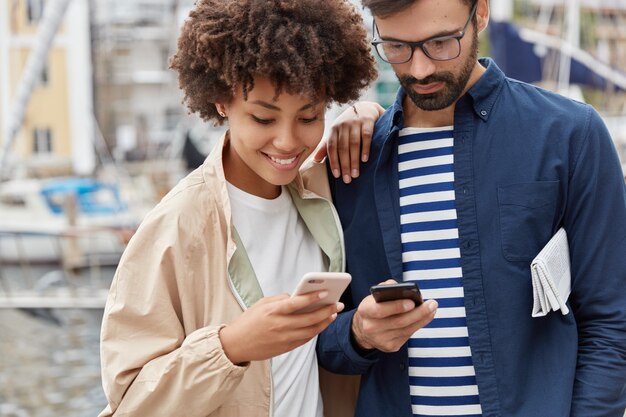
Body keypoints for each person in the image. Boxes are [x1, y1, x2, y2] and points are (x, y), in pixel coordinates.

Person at [316, 0, 626, 416]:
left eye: (441, 42)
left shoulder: (570, 135)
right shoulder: (351, 161)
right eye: (396, 47)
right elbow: (316, 337)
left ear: (479, 13)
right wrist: (357, 333)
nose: (420, 69)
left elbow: (611, 320)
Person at [98, 1, 378, 416]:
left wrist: (366, 111)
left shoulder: (321, 185)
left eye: (309, 116)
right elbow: (131, 404)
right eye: (263, 119)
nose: (287, 141)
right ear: (222, 102)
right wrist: (232, 346)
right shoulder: (176, 226)